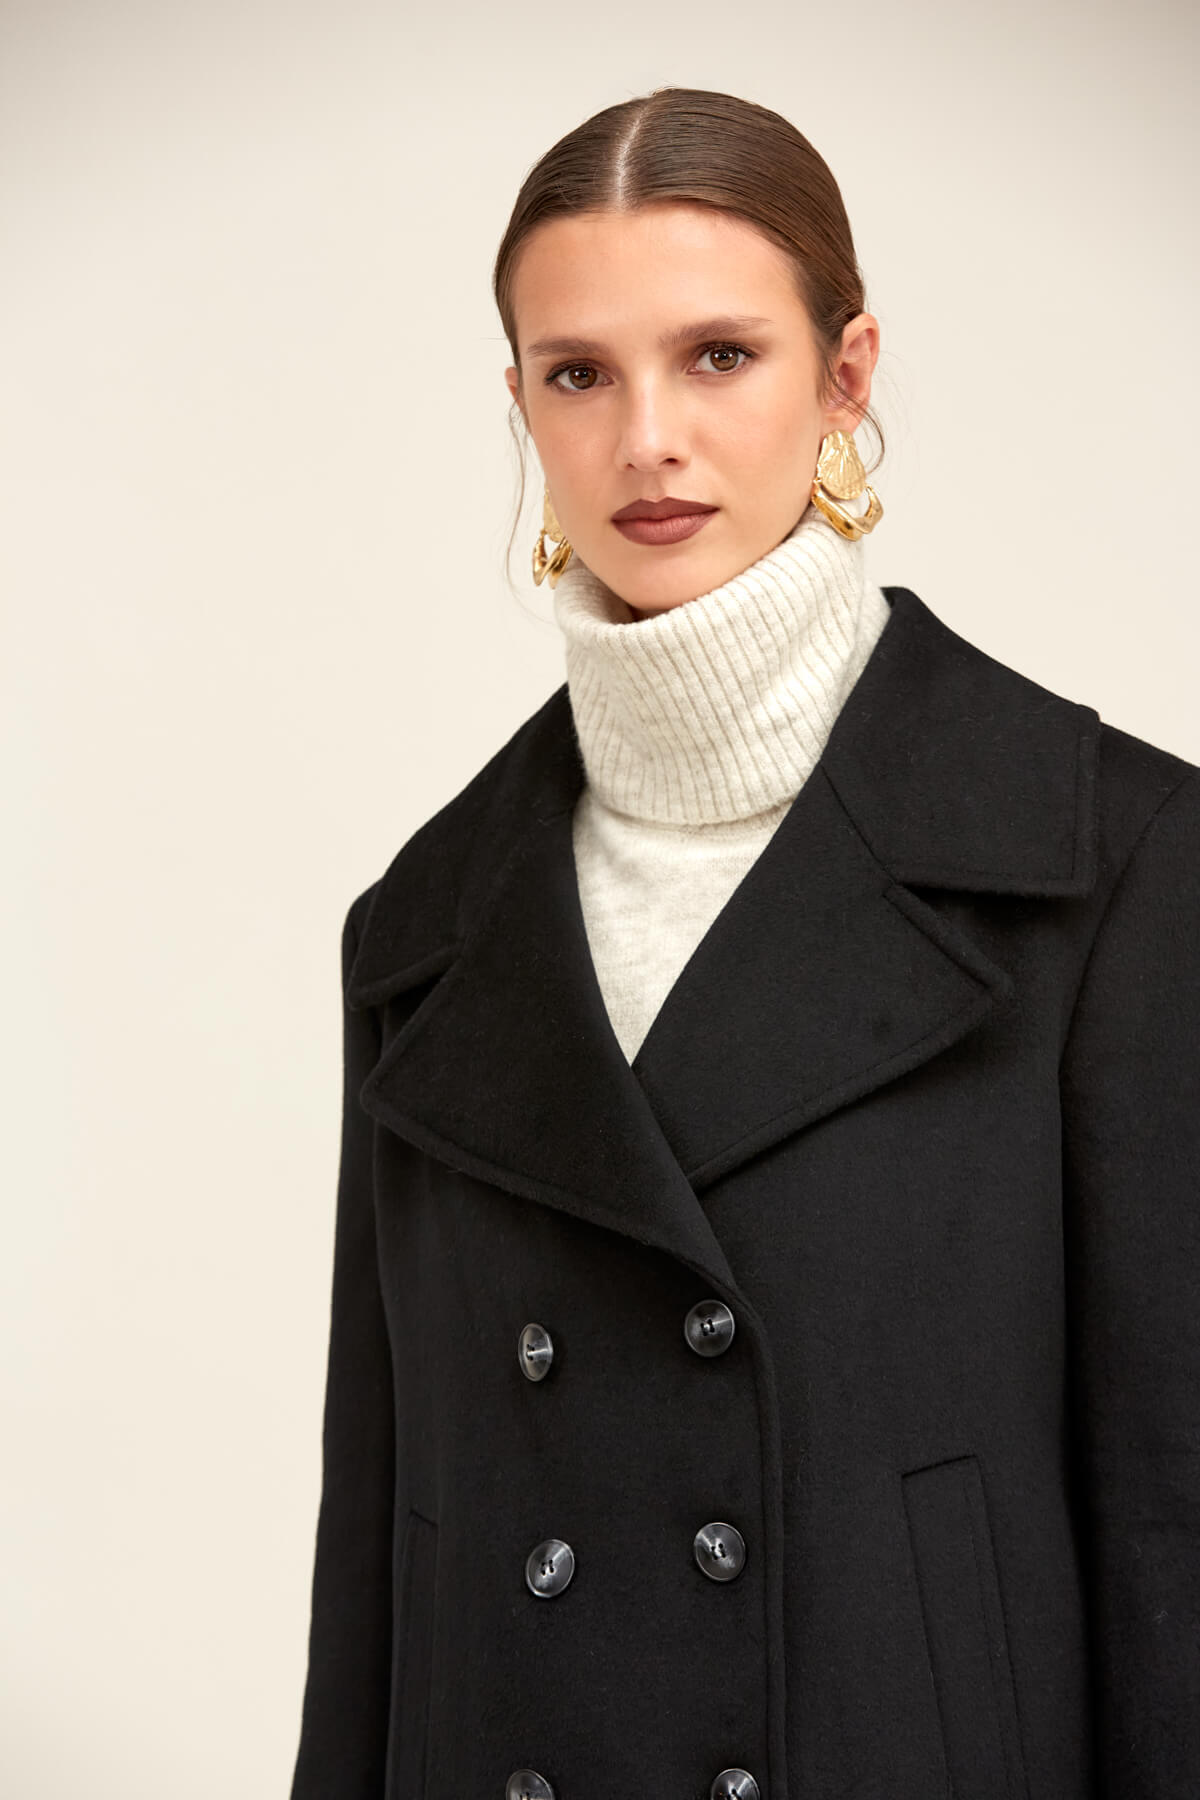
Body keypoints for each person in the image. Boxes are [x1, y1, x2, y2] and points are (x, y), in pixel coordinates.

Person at [289, 87, 1200, 1800]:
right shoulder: (423, 931)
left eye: (719, 356)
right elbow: (381, 1555)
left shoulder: (1113, 867)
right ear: (520, 405)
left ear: (845, 378)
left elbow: (1174, 1522)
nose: (648, 439)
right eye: (579, 373)